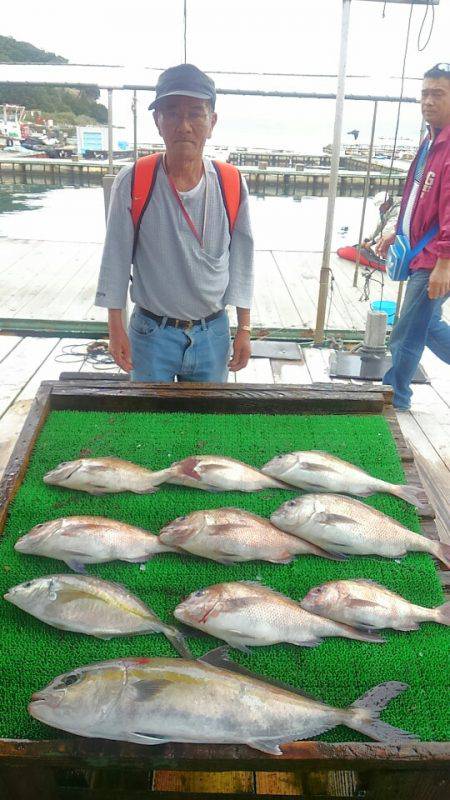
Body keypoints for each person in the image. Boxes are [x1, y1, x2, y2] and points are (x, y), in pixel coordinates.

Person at [95, 64, 254, 382]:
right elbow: (115, 257)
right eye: (172, 113)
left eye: (196, 113)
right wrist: (115, 329)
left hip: (213, 333)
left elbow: (242, 261)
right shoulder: (135, 180)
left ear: (212, 122)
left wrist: (244, 328)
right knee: (147, 425)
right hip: (151, 334)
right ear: (158, 121)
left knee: (206, 425)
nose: (184, 126)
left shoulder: (231, 182)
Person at [376, 63, 450, 410]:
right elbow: (416, 196)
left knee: (406, 331)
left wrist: (444, 264)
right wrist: (396, 232)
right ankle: (397, 392)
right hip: (421, 250)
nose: (428, 101)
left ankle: (395, 397)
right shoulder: (431, 140)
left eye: (438, 94)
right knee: (426, 324)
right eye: (425, 93)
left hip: (436, 257)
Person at [337, 192, 401, 272]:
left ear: (386, 204)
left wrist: (372, 243)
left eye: (380, 206)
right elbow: (379, 228)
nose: (379, 209)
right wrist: (368, 239)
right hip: (391, 234)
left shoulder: (397, 211)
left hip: (398, 236)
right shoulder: (386, 210)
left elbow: (388, 231)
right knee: (379, 243)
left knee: (385, 243)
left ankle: (391, 263)